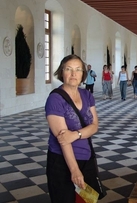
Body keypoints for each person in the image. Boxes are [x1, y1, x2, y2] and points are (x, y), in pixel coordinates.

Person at [45, 55, 99, 203]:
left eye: (78, 70)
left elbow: (94, 126)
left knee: (87, 200)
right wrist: (74, 170)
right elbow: (63, 139)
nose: (73, 74)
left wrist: (76, 134)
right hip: (63, 162)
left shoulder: (87, 95)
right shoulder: (55, 99)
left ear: (83, 74)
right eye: (68, 69)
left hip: (86, 158)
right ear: (62, 72)